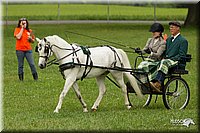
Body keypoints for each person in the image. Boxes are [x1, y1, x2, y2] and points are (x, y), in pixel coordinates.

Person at [150, 21, 188, 92]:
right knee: (153, 63)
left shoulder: (183, 41)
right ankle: (150, 81)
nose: (171, 29)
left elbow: (182, 55)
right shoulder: (168, 40)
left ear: (178, 28)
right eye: (170, 27)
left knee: (164, 62)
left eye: (172, 27)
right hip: (167, 61)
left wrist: (170, 58)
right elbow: (164, 51)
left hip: (177, 63)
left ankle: (158, 83)